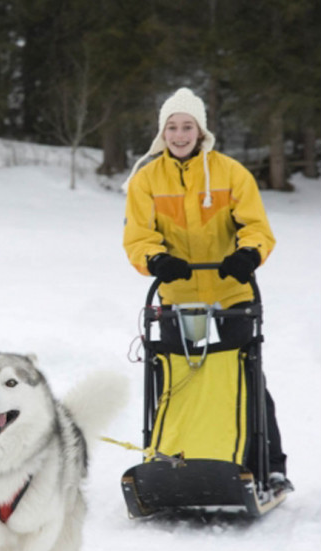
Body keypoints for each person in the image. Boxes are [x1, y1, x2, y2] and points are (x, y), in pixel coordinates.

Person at [121, 87, 293, 494]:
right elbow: (138, 238)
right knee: (178, 379)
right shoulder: (146, 180)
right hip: (179, 295)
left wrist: (247, 254)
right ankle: (175, 461)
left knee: (246, 375)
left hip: (232, 291)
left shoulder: (231, 173)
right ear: (162, 133)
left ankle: (267, 466)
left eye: (187, 127)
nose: (180, 135)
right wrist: (157, 260)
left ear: (201, 131)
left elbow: (256, 227)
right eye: (172, 127)